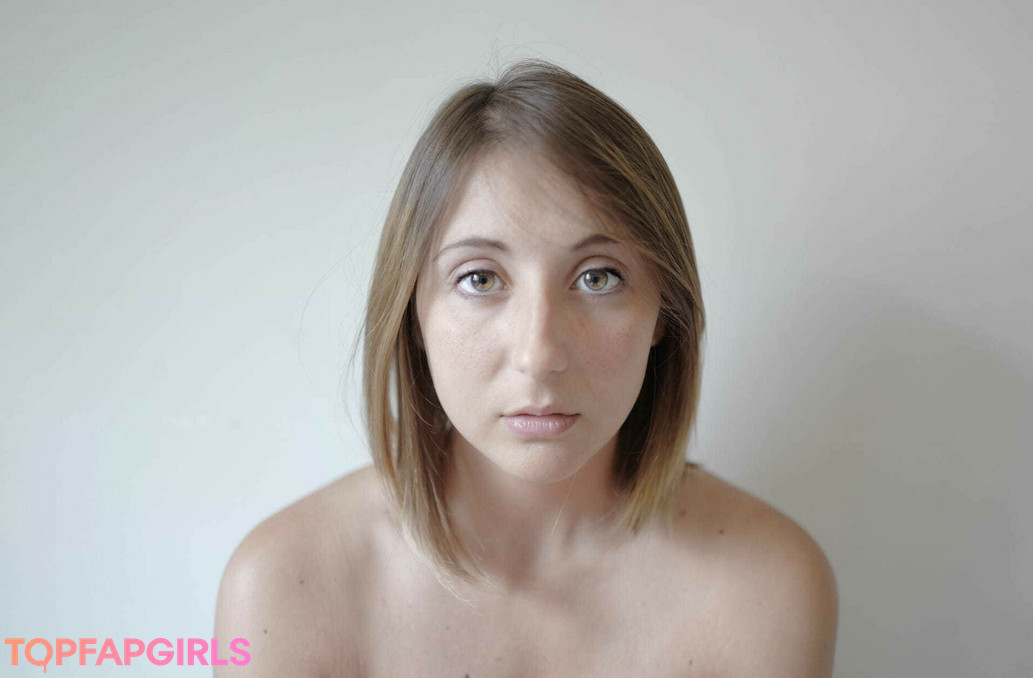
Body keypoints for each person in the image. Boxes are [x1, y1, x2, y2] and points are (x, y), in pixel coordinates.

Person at [214, 60, 838, 677]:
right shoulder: (282, 588)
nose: (539, 354)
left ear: (663, 316)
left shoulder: (769, 590)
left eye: (598, 277)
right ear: (412, 317)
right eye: (480, 279)